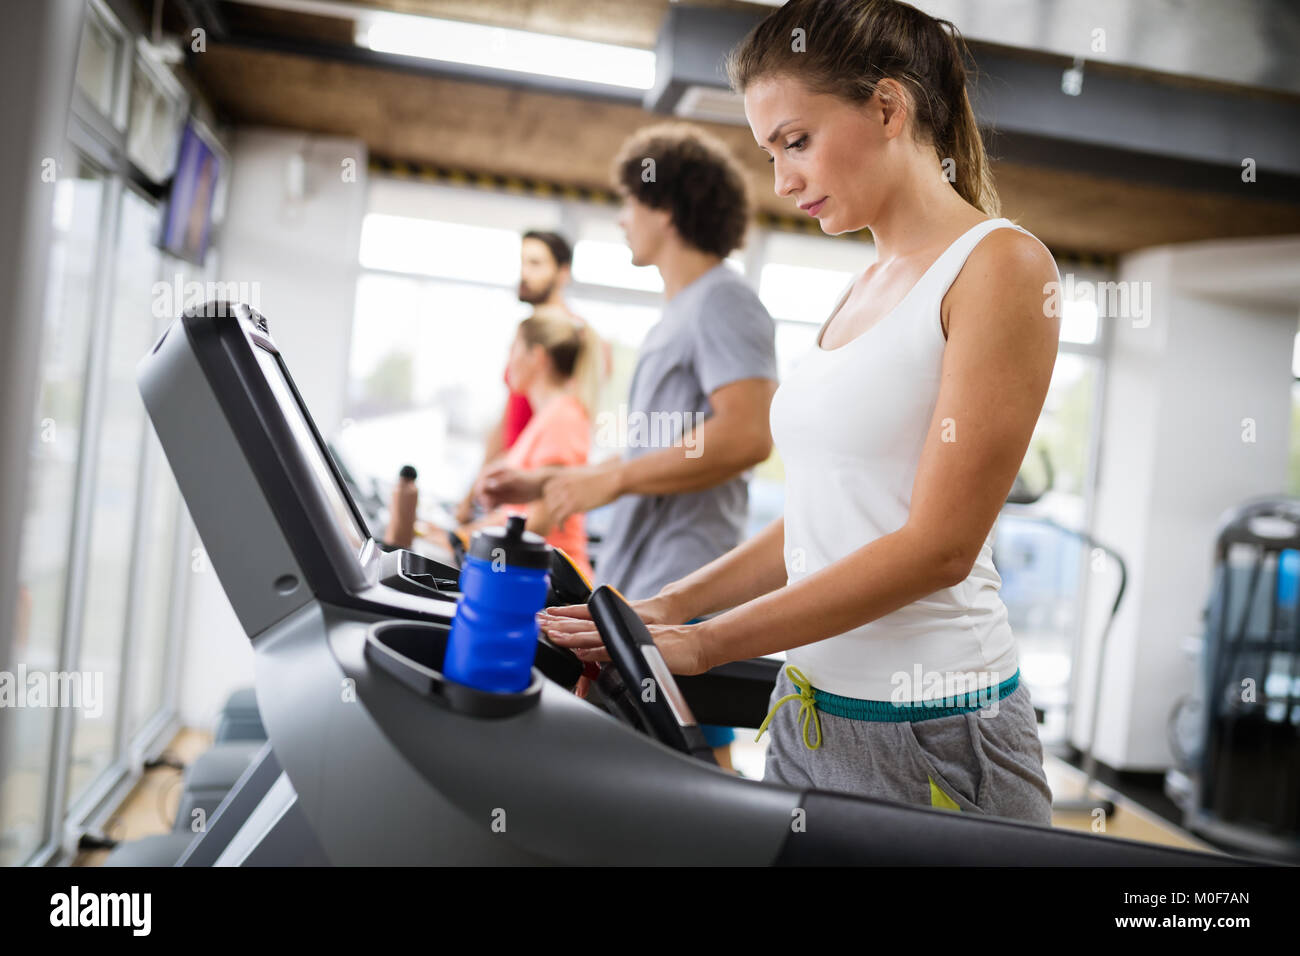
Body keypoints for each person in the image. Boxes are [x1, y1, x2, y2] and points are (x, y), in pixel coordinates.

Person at [533, 0, 1060, 825]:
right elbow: (820, 524)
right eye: (769, 152)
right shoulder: (858, 288)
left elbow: (940, 547)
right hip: (808, 709)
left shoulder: (1002, 267)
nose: (781, 181)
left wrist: (707, 642)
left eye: (796, 141)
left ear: (889, 108)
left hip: (937, 733)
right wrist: (668, 605)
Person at [477, 123, 780, 770]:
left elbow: (746, 434)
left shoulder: (724, 302)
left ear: (665, 208)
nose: (620, 221)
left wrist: (610, 483)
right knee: (663, 768)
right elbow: (662, 452)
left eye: (629, 204)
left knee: (695, 768)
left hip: (689, 576)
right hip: (648, 574)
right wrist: (555, 481)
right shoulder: (680, 314)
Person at [455, 230, 605, 525]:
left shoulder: (574, 346)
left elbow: (567, 436)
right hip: (509, 489)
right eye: (523, 262)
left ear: (563, 273)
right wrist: (471, 492)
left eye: (536, 263)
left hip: (531, 500)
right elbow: (506, 421)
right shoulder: (524, 337)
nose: (525, 273)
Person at [457, 312, 599, 581]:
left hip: (553, 584)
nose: (508, 361)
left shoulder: (563, 417)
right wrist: (460, 536)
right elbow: (516, 514)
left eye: (514, 349)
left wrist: (465, 539)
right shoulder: (547, 416)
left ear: (538, 356)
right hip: (532, 572)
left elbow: (539, 521)